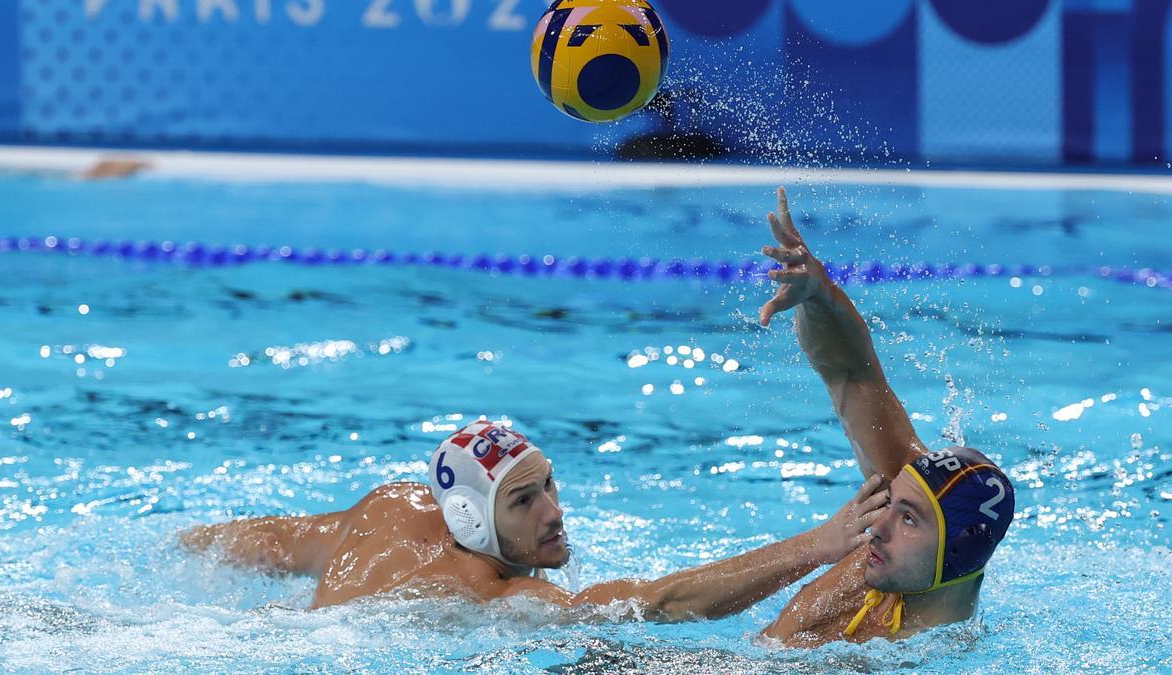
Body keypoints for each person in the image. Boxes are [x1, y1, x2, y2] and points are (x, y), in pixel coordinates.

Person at [181, 419, 888, 616]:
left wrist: (180, 543)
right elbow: (658, 602)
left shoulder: (386, 508)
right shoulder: (494, 593)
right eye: (525, 500)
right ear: (471, 517)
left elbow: (263, 540)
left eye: (549, 485)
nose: (555, 512)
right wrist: (818, 544)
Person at [754, 187, 1016, 646]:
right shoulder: (915, 534)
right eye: (893, 505)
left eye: (908, 518)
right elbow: (853, 375)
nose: (875, 526)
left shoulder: (920, 655)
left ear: (960, 548)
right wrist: (819, 295)